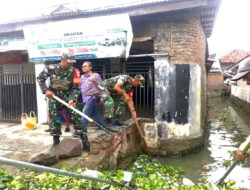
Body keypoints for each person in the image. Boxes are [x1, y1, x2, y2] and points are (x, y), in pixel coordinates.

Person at [37, 52, 90, 151]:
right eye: (69, 62)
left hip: (68, 97)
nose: (71, 64)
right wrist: (46, 90)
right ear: (62, 60)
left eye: (72, 63)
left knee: (76, 118)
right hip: (54, 97)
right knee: (55, 120)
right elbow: (40, 78)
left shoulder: (75, 71)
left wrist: (72, 98)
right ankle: (56, 142)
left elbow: (76, 87)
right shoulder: (51, 68)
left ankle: (84, 140)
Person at [80, 61, 114, 132]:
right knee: (94, 113)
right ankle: (103, 125)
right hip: (84, 98)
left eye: (85, 66)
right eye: (83, 66)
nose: (83, 67)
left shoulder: (95, 76)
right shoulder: (82, 77)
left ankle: (81, 130)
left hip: (92, 97)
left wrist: (102, 97)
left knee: (85, 113)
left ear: (90, 67)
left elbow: (101, 87)